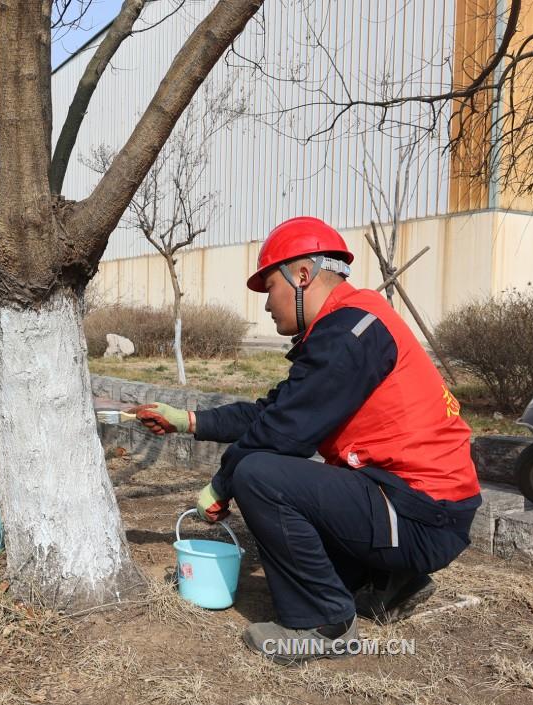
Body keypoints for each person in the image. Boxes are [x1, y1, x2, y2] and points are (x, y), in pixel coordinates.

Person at [134, 216, 481, 664]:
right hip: (418, 506)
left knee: (259, 474)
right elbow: (275, 412)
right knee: (287, 487)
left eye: (269, 288)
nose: (266, 305)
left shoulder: (352, 331)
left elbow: (284, 434)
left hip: (420, 515)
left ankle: (323, 624)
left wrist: (223, 483)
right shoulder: (352, 324)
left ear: (301, 275)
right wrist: (189, 420)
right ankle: (387, 582)